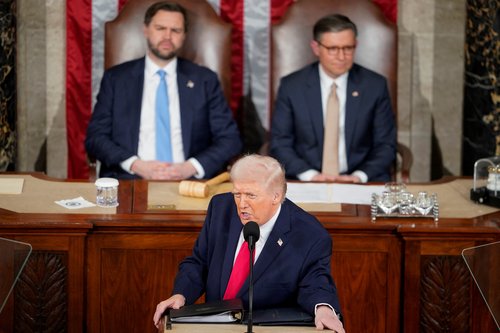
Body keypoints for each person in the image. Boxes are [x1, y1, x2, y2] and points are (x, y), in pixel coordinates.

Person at [153, 154, 345, 332]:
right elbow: (200, 262)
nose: (242, 204)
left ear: (276, 196)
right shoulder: (221, 208)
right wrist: (180, 294)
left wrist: (323, 308)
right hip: (215, 325)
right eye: (237, 194)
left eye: (251, 195)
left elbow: (316, 281)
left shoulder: (309, 234)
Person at [85, 1, 242, 180]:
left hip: (188, 181)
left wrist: (191, 167)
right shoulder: (117, 79)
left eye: (175, 30)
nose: (167, 36)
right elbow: (96, 138)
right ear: (146, 30)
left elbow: (229, 139)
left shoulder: (204, 80)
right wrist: (135, 164)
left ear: (184, 36)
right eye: (160, 28)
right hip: (130, 179)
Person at [269, 13, 396, 183]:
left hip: (361, 180)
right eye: (333, 49)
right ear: (316, 48)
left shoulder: (374, 86)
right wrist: (310, 176)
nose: (341, 57)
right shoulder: (292, 86)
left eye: (348, 48)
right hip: (305, 179)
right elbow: (280, 143)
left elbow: (386, 145)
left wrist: (359, 177)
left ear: (356, 46)